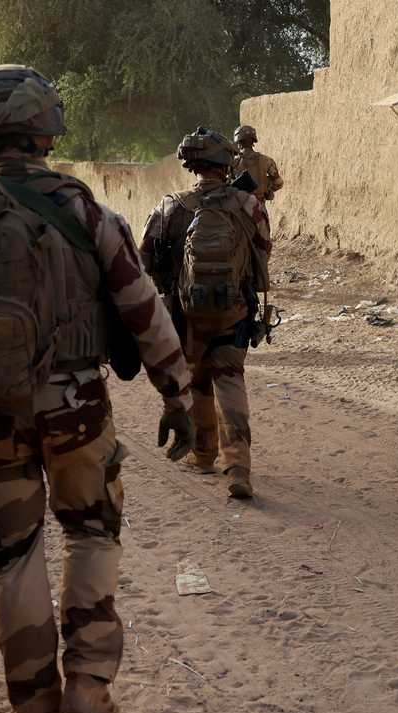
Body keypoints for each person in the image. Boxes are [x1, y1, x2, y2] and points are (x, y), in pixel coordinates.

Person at [0, 64, 195, 713]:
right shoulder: (87, 208)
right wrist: (179, 397)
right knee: (92, 535)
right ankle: (87, 692)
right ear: (48, 125)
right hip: (77, 410)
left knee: (14, 557)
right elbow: (145, 312)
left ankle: (34, 703)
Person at [140, 127, 272, 499]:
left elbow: (146, 256)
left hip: (186, 314)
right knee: (230, 379)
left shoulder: (171, 205)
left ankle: (203, 454)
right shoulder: (248, 204)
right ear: (225, 163)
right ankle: (239, 468)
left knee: (197, 378)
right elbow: (264, 249)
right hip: (234, 310)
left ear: (191, 165)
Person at [230, 124, 283, 203]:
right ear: (253, 141)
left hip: (239, 209)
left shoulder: (232, 162)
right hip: (258, 208)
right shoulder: (267, 161)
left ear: (238, 142)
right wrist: (267, 189)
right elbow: (278, 183)